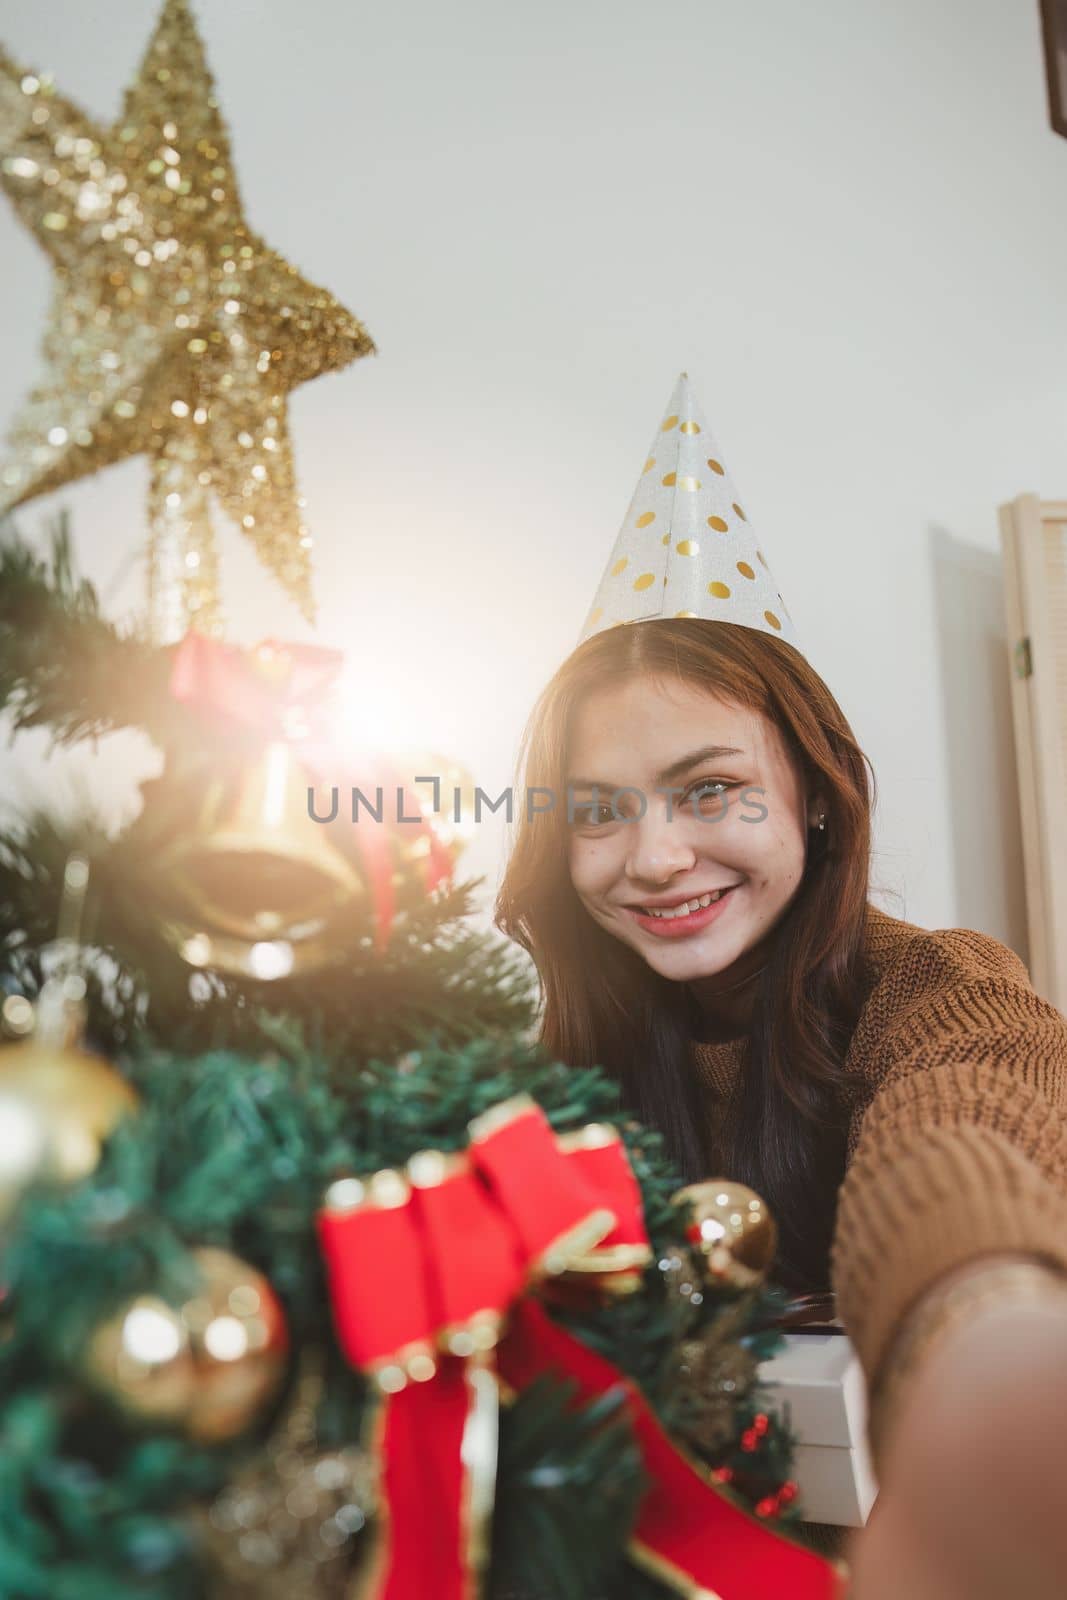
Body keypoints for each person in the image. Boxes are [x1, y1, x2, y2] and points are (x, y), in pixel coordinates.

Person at [493, 375, 1067, 1596]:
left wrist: (980, 1344)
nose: (652, 858)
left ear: (809, 792)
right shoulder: (557, 1056)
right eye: (599, 812)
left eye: (707, 790)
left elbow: (961, 1133)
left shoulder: (935, 985)